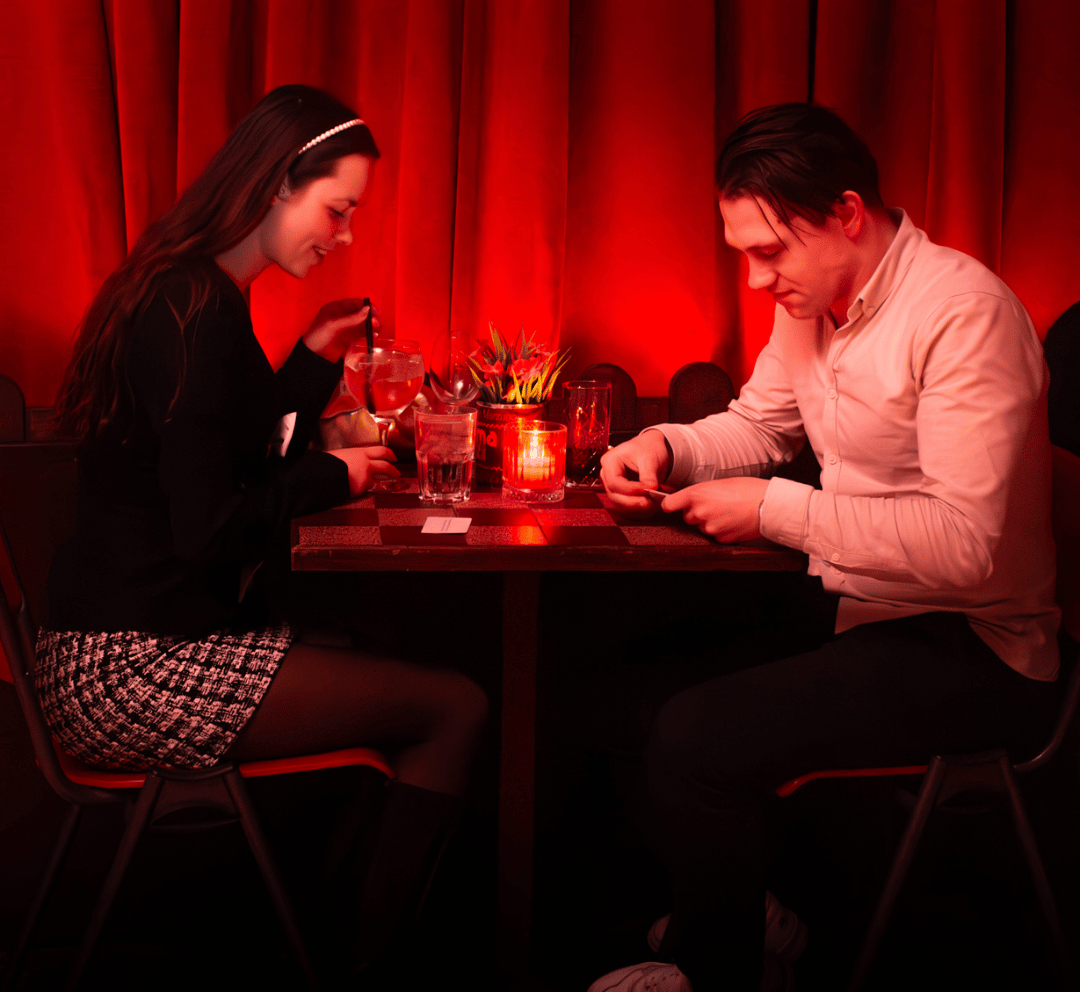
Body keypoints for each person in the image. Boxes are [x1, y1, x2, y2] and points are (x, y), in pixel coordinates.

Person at [591, 103, 1060, 992]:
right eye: (744, 255)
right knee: (623, 679)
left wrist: (776, 510)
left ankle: (718, 965)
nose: (759, 278)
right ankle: (736, 907)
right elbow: (760, 424)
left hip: (978, 648)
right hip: (866, 603)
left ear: (847, 213)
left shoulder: (964, 314)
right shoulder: (815, 302)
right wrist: (669, 446)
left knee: (695, 736)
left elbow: (967, 549)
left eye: (771, 251)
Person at [40, 84, 488, 971]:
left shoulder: (184, 288)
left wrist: (312, 361)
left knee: (380, 639)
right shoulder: (196, 309)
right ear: (279, 183)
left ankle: (324, 924)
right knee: (456, 706)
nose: (344, 235)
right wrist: (333, 473)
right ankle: (370, 964)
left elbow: (225, 453)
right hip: (131, 669)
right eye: (338, 209)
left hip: (111, 642)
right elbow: (211, 525)